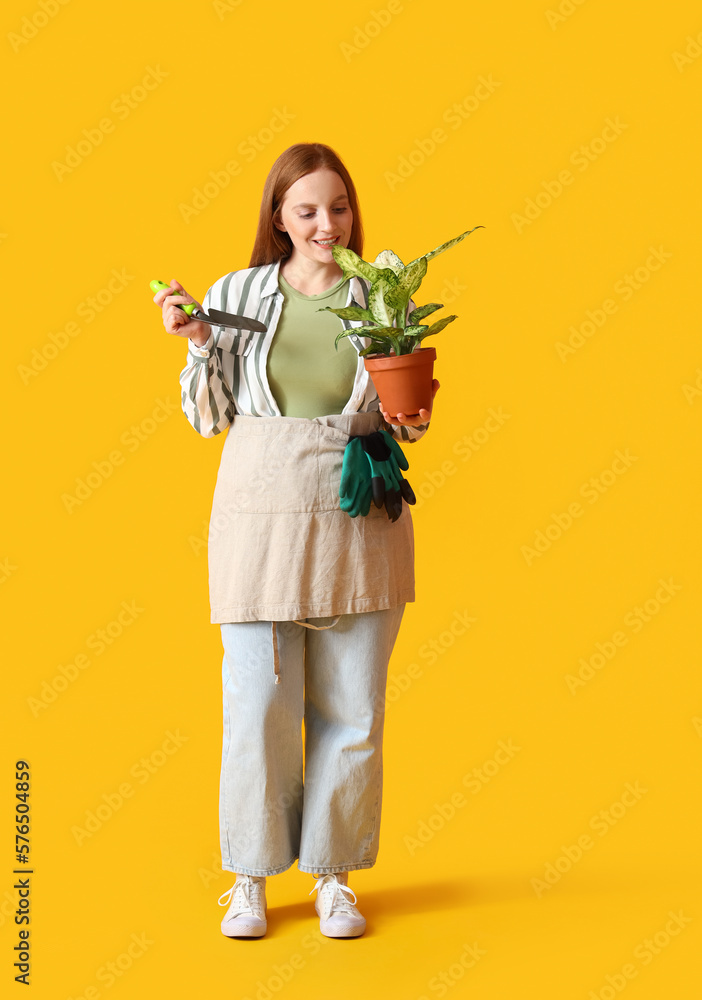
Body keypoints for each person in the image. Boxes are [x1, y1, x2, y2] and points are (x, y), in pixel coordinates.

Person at [153, 143, 439, 939]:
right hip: (258, 513)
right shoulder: (236, 293)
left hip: (359, 508)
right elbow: (210, 418)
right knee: (257, 706)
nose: (325, 223)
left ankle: (334, 879)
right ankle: (248, 878)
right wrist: (201, 343)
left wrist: (413, 417)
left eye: (338, 207)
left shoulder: (380, 299)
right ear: (277, 216)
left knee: (353, 706)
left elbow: (400, 411)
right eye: (307, 209)